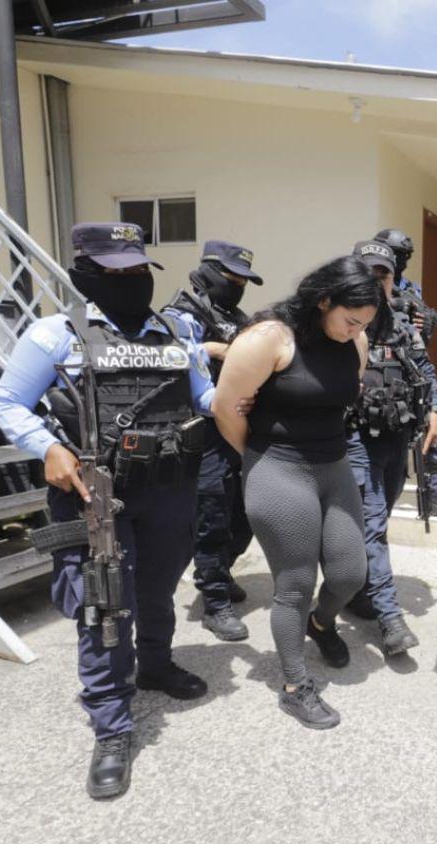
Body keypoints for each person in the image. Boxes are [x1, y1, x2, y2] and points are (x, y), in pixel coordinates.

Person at [0, 222, 215, 800]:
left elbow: (205, 395)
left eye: (137, 270)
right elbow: (9, 404)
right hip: (95, 490)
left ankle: (156, 665)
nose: (129, 281)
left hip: (170, 484)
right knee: (104, 602)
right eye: (113, 273)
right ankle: (111, 725)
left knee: (159, 588)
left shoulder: (178, 329)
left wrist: (253, 390)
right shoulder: (54, 334)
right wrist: (50, 448)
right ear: (84, 273)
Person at [213, 256, 379, 731]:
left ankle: (321, 623)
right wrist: (259, 459)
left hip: (334, 465)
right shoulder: (269, 337)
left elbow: (341, 396)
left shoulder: (357, 340)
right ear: (323, 300)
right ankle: (294, 686)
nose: (355, 331)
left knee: (349, 572)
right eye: (349, 320)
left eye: (364, 323)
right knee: (295, 585)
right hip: (278, 468)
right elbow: (226, 407)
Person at [342, 239, 437, 654]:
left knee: (377, 519)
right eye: (367, 273)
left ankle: (354, 589)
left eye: (382, 274)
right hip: (357, 439)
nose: (375, 281)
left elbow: (424, 368)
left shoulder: (403, 327)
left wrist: (436, 409)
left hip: (396, 441)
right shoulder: (344, 325)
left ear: (392, 279)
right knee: (373, 526)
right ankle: (390, 617)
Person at [162, 241, 262, 642]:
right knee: (213, 516)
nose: (237, 285)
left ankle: (221, 568)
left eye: (243, 279)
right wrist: (212, 349)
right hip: (203, 431)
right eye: (231, 277)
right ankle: (214, 600)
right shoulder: (179, 316)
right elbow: (175, 357)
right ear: (207, 271)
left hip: (240, 427)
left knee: (247, 514)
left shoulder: (235, 316)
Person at [374, 227, 437, 516]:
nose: (401, 261)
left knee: (430, 422)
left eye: (406, 256)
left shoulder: (412, 288)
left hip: (411, 364)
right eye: (397, 255)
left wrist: (423, 326)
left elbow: (419, 330)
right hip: (378, 366)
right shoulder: (370, 276)